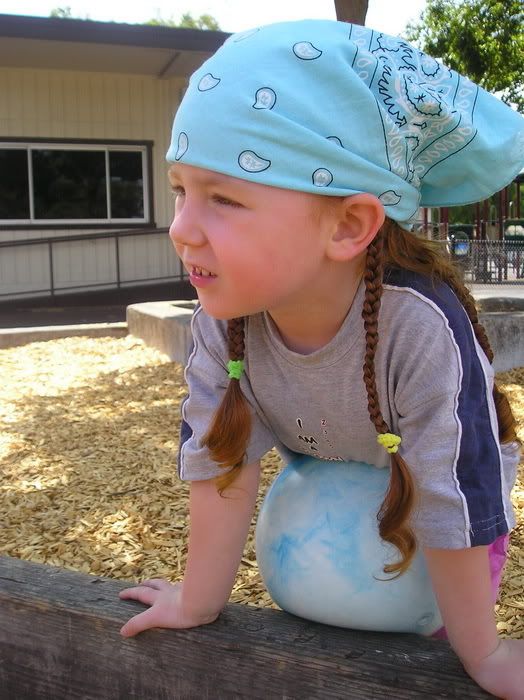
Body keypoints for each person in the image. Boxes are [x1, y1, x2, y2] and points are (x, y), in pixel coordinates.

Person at [119, 20, 524, 697]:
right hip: (328, 536)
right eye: (181, 189)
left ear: (348, 225)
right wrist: (197, 600)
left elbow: (454, 490)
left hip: (438, 542)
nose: (182, 228)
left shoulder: (419, 328)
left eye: (224, 198)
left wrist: (482, 654)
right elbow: (222, 460)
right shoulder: (225, 319)